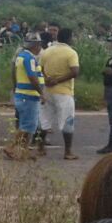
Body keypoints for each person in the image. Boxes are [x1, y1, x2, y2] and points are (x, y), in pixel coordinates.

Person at [39, 27, 80, 160]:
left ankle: (40, 148)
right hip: (64, 92)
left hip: (47, 90)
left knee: (44, 120)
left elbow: (40, 68)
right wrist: (57, 80)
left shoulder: (47, 51)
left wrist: (47, 80)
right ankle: (68, 151)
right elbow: (75, 72)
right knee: (67, 121)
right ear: (69, 38)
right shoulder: (71, 53)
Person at [5, 33, 46, 161]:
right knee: (27, 126)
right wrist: (41, 93)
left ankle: (24, 151)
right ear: (36, 45)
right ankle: (11, 147)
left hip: (23, 95)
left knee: (27, 126)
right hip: (28, 96)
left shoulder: (21, 56)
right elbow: (32, 77)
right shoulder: (29, 58)